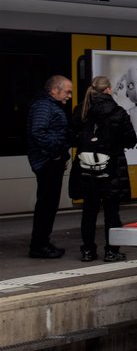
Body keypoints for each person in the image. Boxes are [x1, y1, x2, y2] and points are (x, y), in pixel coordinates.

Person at [70, 76, 136, 262]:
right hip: (112, 171)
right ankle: (111, 251)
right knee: (112, 213)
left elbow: (72, 137)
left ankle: (88, 251)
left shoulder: (81, 111)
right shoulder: (119, 112)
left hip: (87, 170)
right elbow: (131, 140)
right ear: (108, 90)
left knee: (89, 212)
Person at [27, 75, 73, 258]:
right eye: (67, 91)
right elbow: (38, 132)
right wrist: (56, 151)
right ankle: (39, 246)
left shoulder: (48, 105)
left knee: (49, 205)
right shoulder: (44, 106)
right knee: (46, 206)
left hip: (50, 161)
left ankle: (42, 242)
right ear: (54, 90)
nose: (69, 95)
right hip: (47, 163)